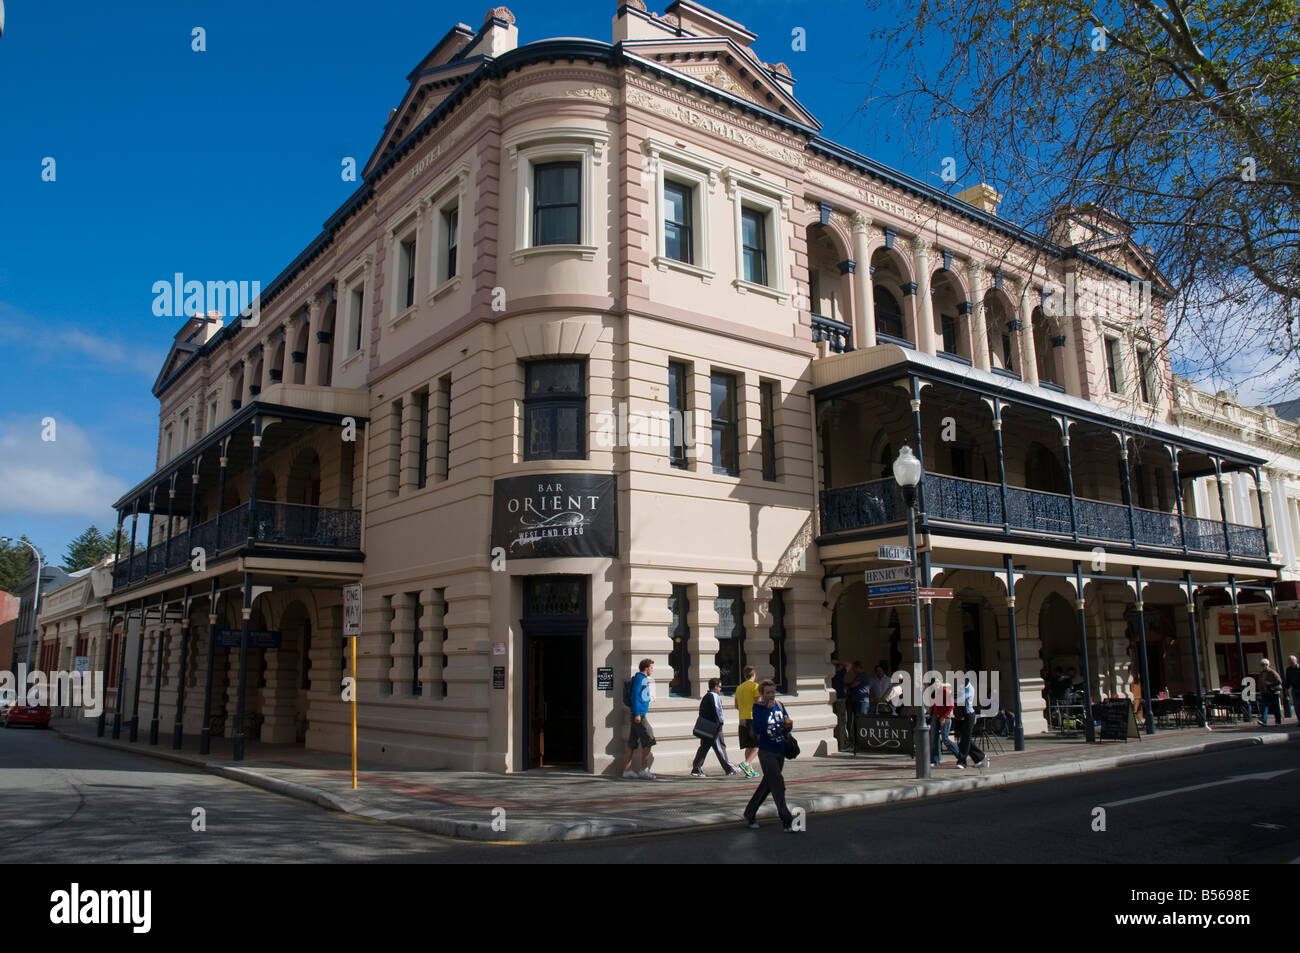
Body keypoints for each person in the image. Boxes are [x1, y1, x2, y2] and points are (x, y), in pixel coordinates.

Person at [742, 680, 797, 832]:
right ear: (762, 694)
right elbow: (758, 728)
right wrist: (767, 710)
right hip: (766, 752)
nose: (771, 695)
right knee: (778, 784)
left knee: (768, 784)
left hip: (780, 750)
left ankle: (750, 812)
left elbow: (788, 723)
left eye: (773, 692)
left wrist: (788, 725)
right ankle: (787, 821)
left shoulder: (779, 705)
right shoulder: (758, 707)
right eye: (768, 693)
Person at [691, 678, 740, 777]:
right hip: (714, 727)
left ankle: (696, 768)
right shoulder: (715, 696)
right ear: (716, 687)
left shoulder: (706, 696)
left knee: (704, 747)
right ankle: (729, 768)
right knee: (720, 747)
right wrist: (720, 724)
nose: (721, 689)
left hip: (706, 727)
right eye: (720, 687)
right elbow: (718, 711)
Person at [622, 658, 656, 779]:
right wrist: (637, 713)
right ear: (646, 668)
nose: (652, 669)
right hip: (639, 715)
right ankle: (643, 769)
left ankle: (627, 771)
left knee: (632, 741)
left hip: (639, 713)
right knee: (650, 739)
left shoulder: (642, 679)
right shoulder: (640, 679)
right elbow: (635, 696)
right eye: (651, 667)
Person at [955, 677, 989, 769]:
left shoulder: (970, 688)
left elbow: (961, 699)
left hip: (969, 715)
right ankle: (980, 757)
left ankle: (962, 761)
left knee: (965, 739)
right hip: (962, 716)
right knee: (966, 739)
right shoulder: (961, 688)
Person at [734, 666, 760, 778]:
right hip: (753, 718)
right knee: (759, 744)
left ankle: (749, 770)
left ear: (745, 676)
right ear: (754, 675)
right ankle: (745, 763)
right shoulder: (755, 686)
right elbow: (758, 702)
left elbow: (736, 705)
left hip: (742, 719)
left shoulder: (739, 688)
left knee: (748, 745)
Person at [929, 681, 961, 767]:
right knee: (934, 738)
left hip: (944, 718)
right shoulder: (935, 693)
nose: (935, 686)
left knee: (945, 739)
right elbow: (935, 705)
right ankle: (935, 760)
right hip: (936, 716)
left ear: (940, 684)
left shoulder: (946, 692)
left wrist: (944, 716)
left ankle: (960, 755)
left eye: (936, 684)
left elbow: (951, 705)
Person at [1257, 658, 1283, 726]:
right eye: (1261, 665)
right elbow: (1260, 682)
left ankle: (1278, 721)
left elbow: (1279, 681)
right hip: (1265, 692)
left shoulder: (1272, 672)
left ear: (1267, 665)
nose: (1263, 666)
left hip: (1273, 692)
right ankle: (1263, 721)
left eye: (1264, 665)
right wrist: (1261, 690)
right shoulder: (1261, 673)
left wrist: (1270, 683)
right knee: (1264, 706)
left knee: (1276, 707)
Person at [830, 656, 849, 747]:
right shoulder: (839, 674)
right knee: (842, 723)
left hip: (833, 700)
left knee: (836, 723)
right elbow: (849, 665)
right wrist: (839, 661)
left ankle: (839, 742)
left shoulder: (831, 676)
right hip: (840, 701)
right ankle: (842, 743)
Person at [1286, 656, 1300, 725]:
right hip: (1295, 689)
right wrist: (1286, 688)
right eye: (1289, 662)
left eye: (1292, 662)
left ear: (1296, 661)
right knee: (1297, 706)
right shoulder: (1288, 670)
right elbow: (1288, 679)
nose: (1291, 663)